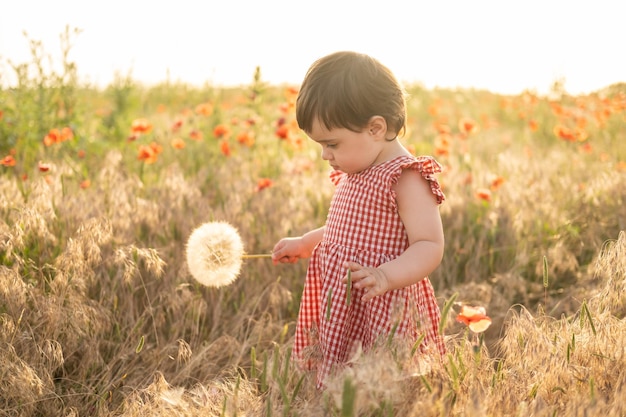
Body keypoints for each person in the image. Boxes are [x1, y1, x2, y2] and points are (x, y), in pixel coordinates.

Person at [271, 51, 446, 389]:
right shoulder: (358, 170)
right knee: (346, 375)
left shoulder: (405, 178)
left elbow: (429, 244)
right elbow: (345, 230)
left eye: (331, 143)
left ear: (375, 128)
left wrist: (386, 275)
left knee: (384, 377)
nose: (325, 154)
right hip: (348, 298)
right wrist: (307, 243)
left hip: (381, 300)